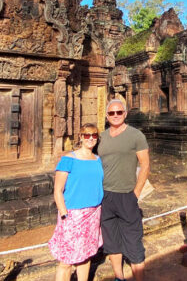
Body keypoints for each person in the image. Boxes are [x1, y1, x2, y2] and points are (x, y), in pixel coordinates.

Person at [98, 99, 150, 281]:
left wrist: (135, 193)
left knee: (133, 241)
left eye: (119, 112)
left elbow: (145, 165)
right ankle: (119, 277)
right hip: (105, 196)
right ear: (106, 116)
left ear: (125, 114)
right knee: (111, 239)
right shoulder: (101, 137)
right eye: (111, 113)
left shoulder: (136, 136)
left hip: (127, 195)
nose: (115, 116)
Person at [48, 123, 104, 281]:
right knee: (66, 260)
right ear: (80, 137)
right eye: (87, 135)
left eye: (94, 135)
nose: (91, 138)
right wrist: (65, 214)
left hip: (93, 214)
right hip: (73, 214)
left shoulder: (98, 160)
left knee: (86, 256)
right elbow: (58, 190)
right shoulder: (68, 159)